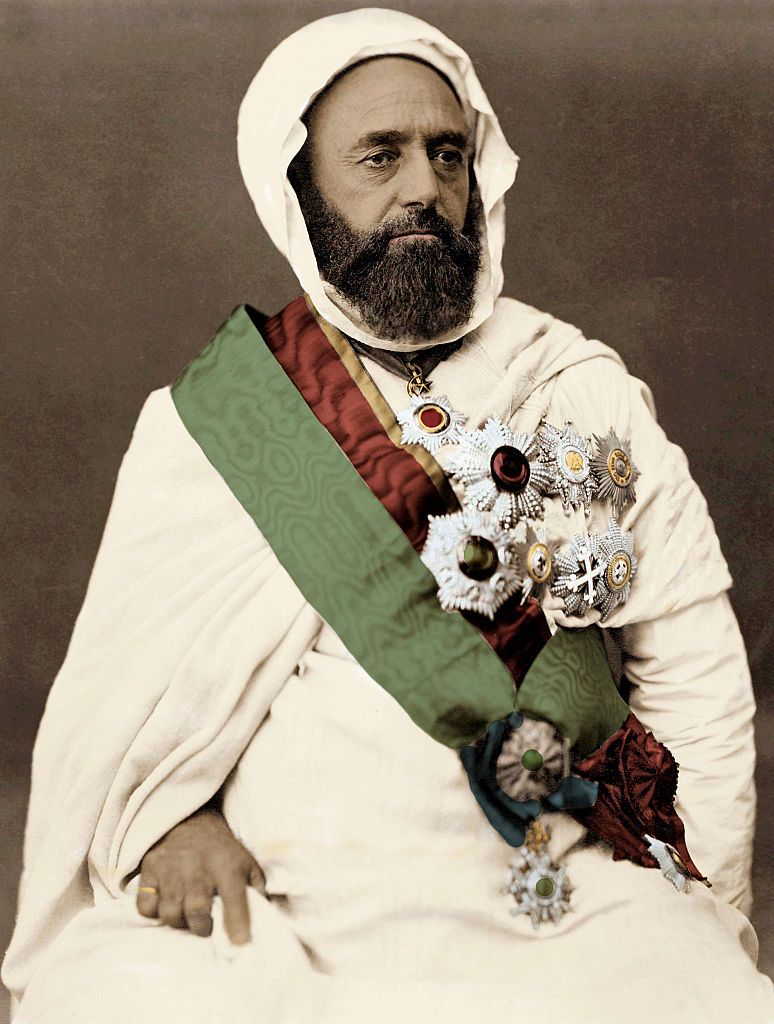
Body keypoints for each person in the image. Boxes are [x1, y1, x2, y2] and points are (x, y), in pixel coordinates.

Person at [3, 9, 773, 1022]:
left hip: (558, 895)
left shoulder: (578, 389)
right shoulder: (216, 421)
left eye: (447, 154)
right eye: (381, 156)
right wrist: (166, 822)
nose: (423, 188)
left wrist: (702, 895)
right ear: (298, 189)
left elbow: (694, 672)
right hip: (287, 901)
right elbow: (118, 718)